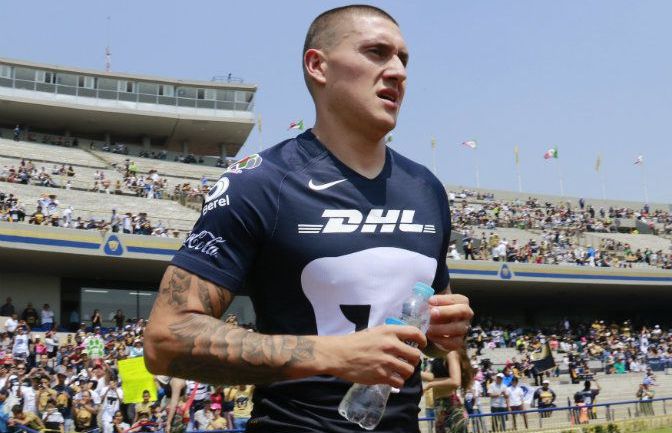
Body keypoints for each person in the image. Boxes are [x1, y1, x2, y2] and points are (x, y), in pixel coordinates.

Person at [144, 5, 472, 433]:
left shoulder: (426, 188)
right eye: (377, 52)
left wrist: (443, 333)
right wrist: (333, 354)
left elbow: (426, 334)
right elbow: (166, 340)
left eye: (403, 59)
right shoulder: (261, 182)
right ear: (318, 66)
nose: (397, 71)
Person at [422, 349, 472, 433]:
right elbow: (434, 377)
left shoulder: (451, 353)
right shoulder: (439, 354)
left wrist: (429, 385)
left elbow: (455, 381)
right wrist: (416, 372)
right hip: (440, 407)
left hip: (450, 406)